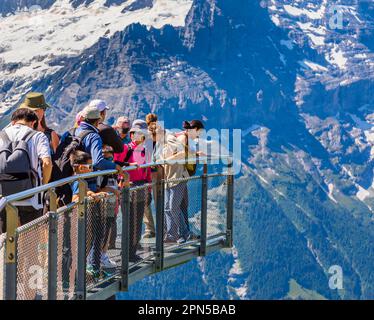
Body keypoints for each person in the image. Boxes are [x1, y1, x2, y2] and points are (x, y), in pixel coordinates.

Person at [0, 108, 52, 233]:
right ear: (34, 122)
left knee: (5, 239)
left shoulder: (1, 135)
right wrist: (43, 185)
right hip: (32, 197)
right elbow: (47, 163)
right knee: (30, 238)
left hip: (4, 196)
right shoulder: (38, 136)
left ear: (13, 121)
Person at [70, 151, 116, 277]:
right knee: (86, 243)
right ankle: (84, 271)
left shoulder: (85, 179)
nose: (92, 169)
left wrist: (95, 194)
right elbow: (76, 197)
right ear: (80, 167)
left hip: (91, 215)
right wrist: (92, 196)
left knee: (95, 239)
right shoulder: (78, 180)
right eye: (89, 166)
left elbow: (88, 190)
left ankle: (92, 269)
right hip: (83, 217)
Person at [116, 123, 152, 262]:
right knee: (128, 221)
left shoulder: (145, 151)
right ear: (131, 135)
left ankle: (132, 252)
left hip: (141, 187)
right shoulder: (125, 149)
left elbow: (147, 171)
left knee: (137, 223)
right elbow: (117, 165)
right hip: (128, 187)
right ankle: (126, 252)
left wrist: (149, 190)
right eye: (136, 134)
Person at [75, 105, 124, 175]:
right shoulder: (94, 137)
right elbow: (97, 162)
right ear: (98, 120)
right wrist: (115, 166)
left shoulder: (76, 131)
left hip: (75, 176)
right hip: (88, 177)